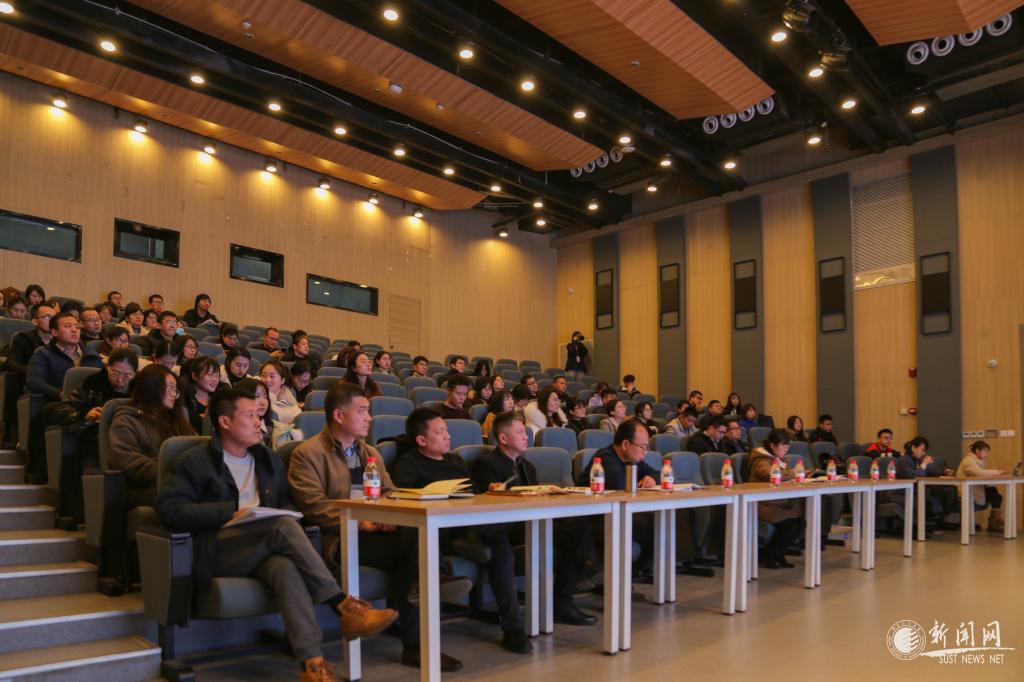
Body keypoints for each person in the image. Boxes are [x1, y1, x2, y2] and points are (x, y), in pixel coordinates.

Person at [157, 388, 397, 680]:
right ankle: (343, 606)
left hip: (263, 547)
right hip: (216, 550)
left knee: (285, 568)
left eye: (258, 416)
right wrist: (229, 512)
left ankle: (313, 664)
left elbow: (285, 503)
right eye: (249, 416)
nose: (259, 423)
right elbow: (169, 510)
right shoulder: (194, 461)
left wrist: (281, 514)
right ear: (225, 422)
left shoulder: (267, 459)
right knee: (281, 526)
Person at [288, 387, 462, 671]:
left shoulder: (370, 453)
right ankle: (429, 589)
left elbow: (391, 492)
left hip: (379, 535)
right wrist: (361, 521)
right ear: (338, 415)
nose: (369, 418)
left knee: (414, 546)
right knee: (415, 556)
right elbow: (314, 506)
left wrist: (389, 516)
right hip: (342, 538)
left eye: (368, 411)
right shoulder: (307, 454)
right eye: (361, 411)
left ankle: (418, 636)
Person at [392, 408, 532, 657]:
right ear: (421, 440)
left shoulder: (456, 462)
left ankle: (513, 629)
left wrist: (488, 491)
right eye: (440, 432)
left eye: (446, 430)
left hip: (464, 525)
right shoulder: (407, 466)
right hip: (436, 530)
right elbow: (401, 503)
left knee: (500, 541)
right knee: (426, 534)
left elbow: (473, 496)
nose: (448, 436)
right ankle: (444, 571)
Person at [469, 411, 597, 627]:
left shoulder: (527, 466)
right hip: (508, 527)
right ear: (503, 438)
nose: (526, 436)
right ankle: (589, 566)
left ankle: (564, 604)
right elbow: (486, 504)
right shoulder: (486, 464)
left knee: (574, 529)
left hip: (532, 521)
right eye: (520, 432)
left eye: (525, 432)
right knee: (571, 533)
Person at [108, 364, 194, 508]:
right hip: (141, 487)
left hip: (175, 482)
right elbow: (127, 462)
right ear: (151, 387)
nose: (174, 394)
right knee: (182, 497)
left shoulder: (175, 419)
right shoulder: (126, 420)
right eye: (170, 387)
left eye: (176, 389)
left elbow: (195, 447)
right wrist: (171, 471)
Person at [577, 420, 658, 568]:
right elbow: (620, 487)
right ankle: (615, 578)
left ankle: (628, 576)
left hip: (614, 517)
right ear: (626, 444)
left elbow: (657, 473)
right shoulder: (605, 457)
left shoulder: (632, 459)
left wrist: (651, 478)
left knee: (654, 536)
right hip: (590, 520)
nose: (645, 452)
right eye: (642, 447)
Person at [746, 429, 805, 569]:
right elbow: (769, 474)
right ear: (772, 445)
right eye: (783, 445)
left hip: (776, 502)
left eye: (788, 446)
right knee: (790, 526)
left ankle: (778, 553)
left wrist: (793, 474)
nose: (786, 449)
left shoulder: (779, 460)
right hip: (762, 503)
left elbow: (785, 475)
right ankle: (768, 554)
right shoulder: (761, 459)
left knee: (801, 522)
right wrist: (792, 473)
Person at [25, 310, 105, 403]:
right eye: (68, 326)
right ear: (55, 332)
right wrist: (60, 394)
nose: (74, 330)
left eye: (77, 327)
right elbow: (33, 381)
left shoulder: (92, 355)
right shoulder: (44, 353)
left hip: (89, 404)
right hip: (57, 403)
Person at [894, 436, 953, 526]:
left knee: (940, 492)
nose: (924, 453)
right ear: (913, 448)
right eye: (922, 450)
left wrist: (943, 472)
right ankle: (918, 526)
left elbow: (929, 472)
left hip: (914, 492)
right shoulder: (904, 460)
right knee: (926, 499)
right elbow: (915, 476)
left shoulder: (916, 460)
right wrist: (924, 463)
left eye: (924, 451)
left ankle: (930, 523)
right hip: (901, 493)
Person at [956, 440, 1007, 532]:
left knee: (995, 494)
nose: (987, 454)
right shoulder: (968, 460)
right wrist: (997, 472)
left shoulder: (979, 460)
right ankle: (995, 521)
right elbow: (978, 473)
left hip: (975, 489)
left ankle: (994, 521)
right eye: (985, 451)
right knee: (994, 494)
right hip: (967, 492)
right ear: (977, 451)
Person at [3, 302, 55, 387]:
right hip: (31, 386)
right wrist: (34, 372)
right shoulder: (24, 339)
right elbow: (10, 364)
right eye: (47, 317)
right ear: (35, 321)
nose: (53, 321)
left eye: (55, 318)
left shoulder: (60, 341)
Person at [261, 360, 301, 443]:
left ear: (282, 380)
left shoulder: (290, 398)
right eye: (264, 375)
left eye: (272, 376)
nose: (267, 380)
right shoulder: (256, 396)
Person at [181, 358, 222, 433]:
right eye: (209, 374)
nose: (214, 379)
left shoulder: (220, 397)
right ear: (194, 376)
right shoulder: (185, 397)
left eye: (217, 375)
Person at [236, 377, 275, 448]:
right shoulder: (236, 431)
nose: (263, 402)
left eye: (265, 396)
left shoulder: (274, 429)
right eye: (257, 396)